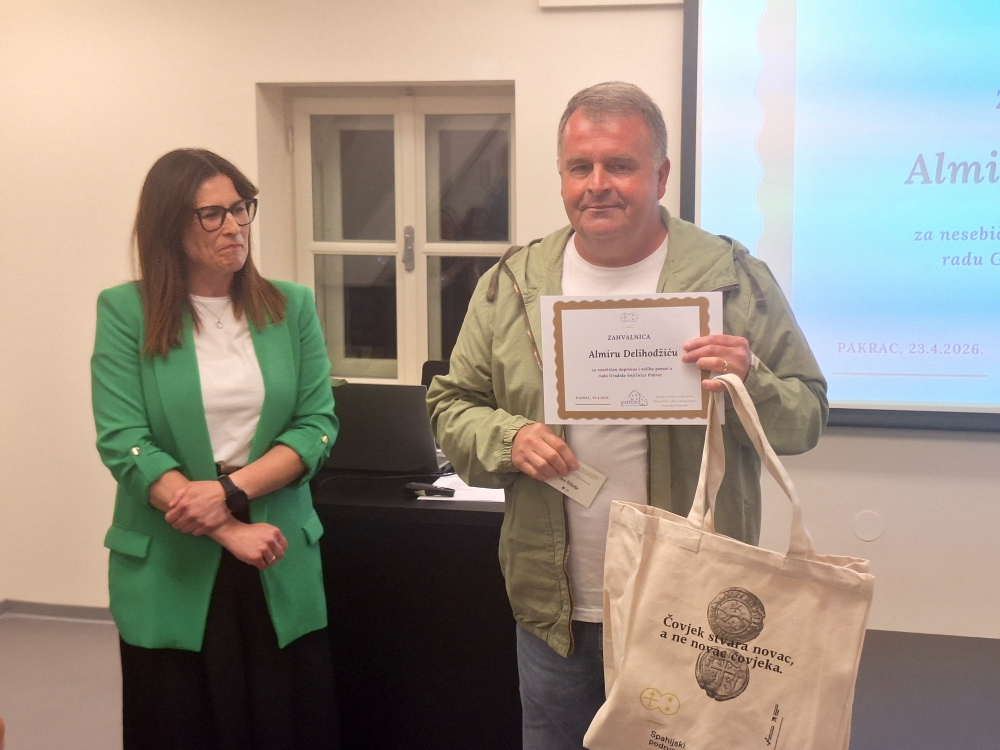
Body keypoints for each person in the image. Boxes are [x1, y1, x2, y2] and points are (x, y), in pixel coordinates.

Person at [426, 82, 827, 750]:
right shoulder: (512, 283)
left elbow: (807, 415)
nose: (598, 185)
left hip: (692, 603)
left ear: (661, 176)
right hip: (558, 607)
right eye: (579, 167)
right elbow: (451, 405)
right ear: (561, 177)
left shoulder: (734, 277)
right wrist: (508, 437)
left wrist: (750, 379)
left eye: (620, 165)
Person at [91, 149, 339, 750]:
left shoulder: (290, 306)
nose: (234, 226)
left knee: (281, 723)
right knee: (182, 723)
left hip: (276, 548)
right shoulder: (126, 311)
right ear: (168, 226)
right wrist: (228, 528)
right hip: (171, 559)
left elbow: (316, 425)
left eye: (240, 208)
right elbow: (124, 440)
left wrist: (230, 492)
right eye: (212, 214)